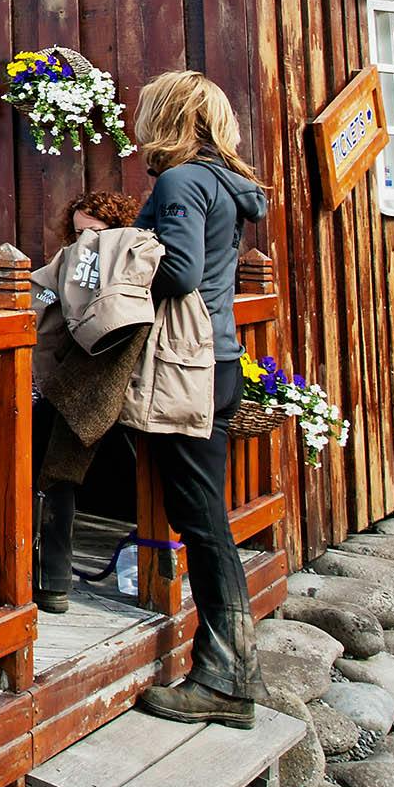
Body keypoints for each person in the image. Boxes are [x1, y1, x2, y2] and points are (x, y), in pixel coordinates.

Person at [129, 70, 270, 728]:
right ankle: (229, 670)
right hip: (217, 358)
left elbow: (180, 272)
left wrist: (116, 260)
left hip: (185, 363)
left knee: (201, 516)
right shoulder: (222, 181)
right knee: (203, 511)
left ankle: (226, 678)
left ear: (169, 116)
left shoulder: (181, 181)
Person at [27, 189, 144, 613]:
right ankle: (48, 575)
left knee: (50, 443)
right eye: (76, 233)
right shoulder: (68, 266)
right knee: (43, 437)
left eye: (93, 233)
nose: (83, 243)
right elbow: (47, 316)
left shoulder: (134, 262)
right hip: (82, 385)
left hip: (123, 387)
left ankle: (51, 577)